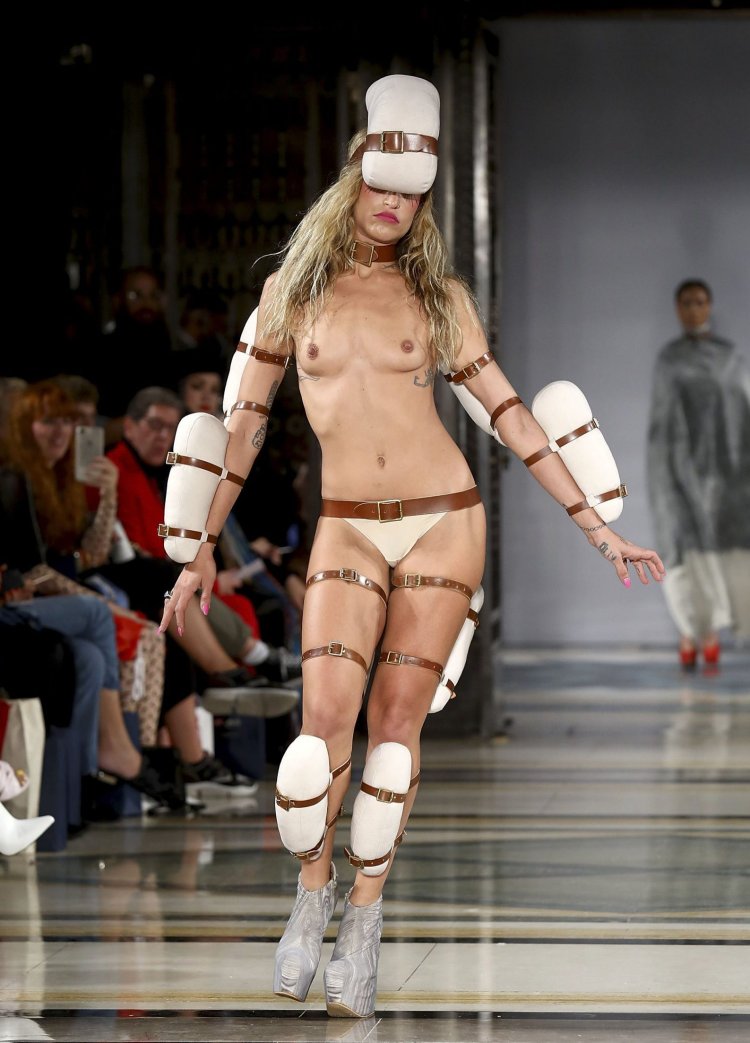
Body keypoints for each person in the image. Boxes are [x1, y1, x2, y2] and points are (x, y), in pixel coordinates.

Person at [160, 75, 665, 1018]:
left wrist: (595, 526)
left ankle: (364, 918)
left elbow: (507, 413)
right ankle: (311, 893)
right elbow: (244, 426)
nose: (393, 206)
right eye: (382, 185)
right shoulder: (288, 292)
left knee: (393, 733)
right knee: (322, 724)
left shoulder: (438, 295)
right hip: (348, 518)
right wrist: (198, 549)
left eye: (412, 194)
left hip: (444, 516)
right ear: (354, 174)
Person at [647, 279, 750, 669]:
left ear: (710, 305)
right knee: (685, 551)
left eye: (700, 302)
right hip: (679, 477)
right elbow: (662, 427)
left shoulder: (730, 358)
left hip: (727, 478)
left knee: (722, 551)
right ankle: (690, 632)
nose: (694, 309)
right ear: (678, 308)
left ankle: (711, 634)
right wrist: (668, 477)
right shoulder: (670, 360)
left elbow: (742, 416)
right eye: (687, 302)